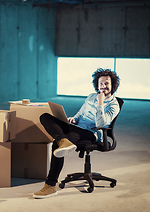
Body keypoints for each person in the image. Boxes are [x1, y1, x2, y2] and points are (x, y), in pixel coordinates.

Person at [33, 68, 121, 199]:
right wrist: (73, 119)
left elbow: (101, 124)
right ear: (97, 85)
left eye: (107, 83)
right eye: (101, 83)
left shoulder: (114, 105)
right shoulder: (91, 97)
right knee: (45, 117)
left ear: (113, 85)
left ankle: (50, 185)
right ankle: (64, 140)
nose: (103, 86)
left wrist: (100, 103)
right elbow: (80, 114)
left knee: (56, 145)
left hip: (91, 134)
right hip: (77, 127)